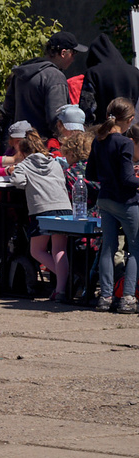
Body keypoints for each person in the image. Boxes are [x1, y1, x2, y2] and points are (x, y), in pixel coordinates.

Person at [8, 124, 82, 302]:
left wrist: (10, 171)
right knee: (59, 249)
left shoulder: (24, 164)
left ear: (23, 151)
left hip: (42, 210)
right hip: (64, 207)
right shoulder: (54, 162)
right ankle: (61, 289)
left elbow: (18, 181)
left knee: (37, 250)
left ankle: (67, 277)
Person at [91, 99, 139, 313]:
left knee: (108, 248)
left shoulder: (99, 140)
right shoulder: (126, 142)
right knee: (135, 248)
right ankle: (128, 297)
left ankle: (106, 297)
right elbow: (128, 179)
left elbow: (89, 174)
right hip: (125, 201)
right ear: (129, 120)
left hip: (105, 199)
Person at [2, 33, 83, 143]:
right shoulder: (55, 77)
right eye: (74, 53)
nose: (73, 59)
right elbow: (57, 118)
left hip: (20, 144)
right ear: (63, 53)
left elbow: (8, 109)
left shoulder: (21, 74)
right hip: (44, 146)